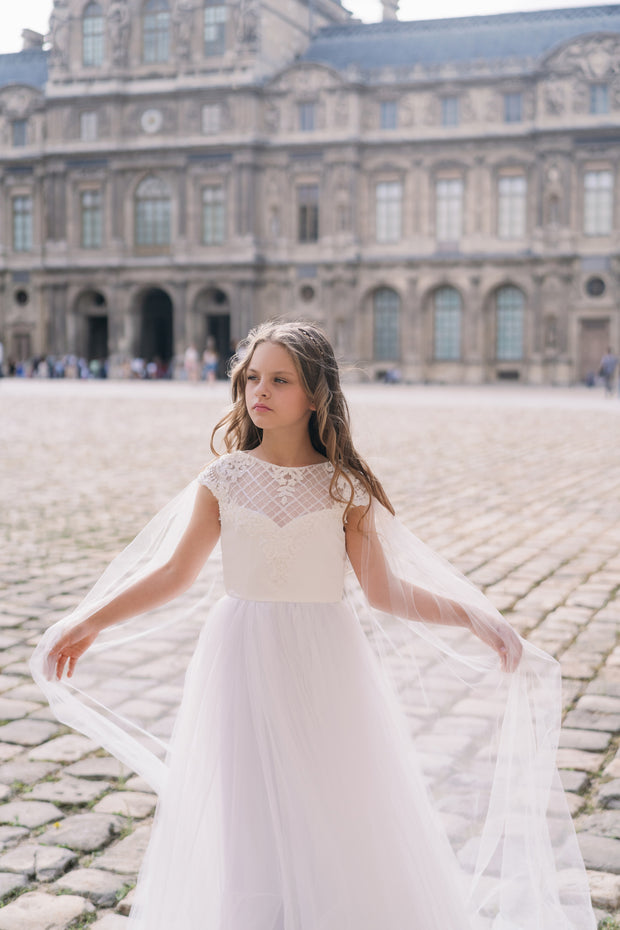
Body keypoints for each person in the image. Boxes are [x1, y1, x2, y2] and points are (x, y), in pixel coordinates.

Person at [30, 321, 596, 930]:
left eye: (280, 379)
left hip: (325, 660)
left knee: (331, 800)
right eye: (252, 378)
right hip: (239, 655)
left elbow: (385, 592)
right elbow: (173, 573)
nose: (260, 391)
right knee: (244, 804)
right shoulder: (223, 478)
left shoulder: (343, 488)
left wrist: (475, 616)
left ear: (315, 395)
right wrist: (90, 620)